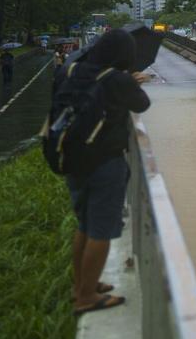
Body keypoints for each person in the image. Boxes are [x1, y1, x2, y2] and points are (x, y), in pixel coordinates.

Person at [57, 29, 151, 316]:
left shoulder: (73, 70)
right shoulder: (117, 80)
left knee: (84, 225)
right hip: (104, 163)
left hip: (73, 159)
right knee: (101, 230)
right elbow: (142, 104)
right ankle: (86, 298)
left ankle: (82, 285)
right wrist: (131, 82)